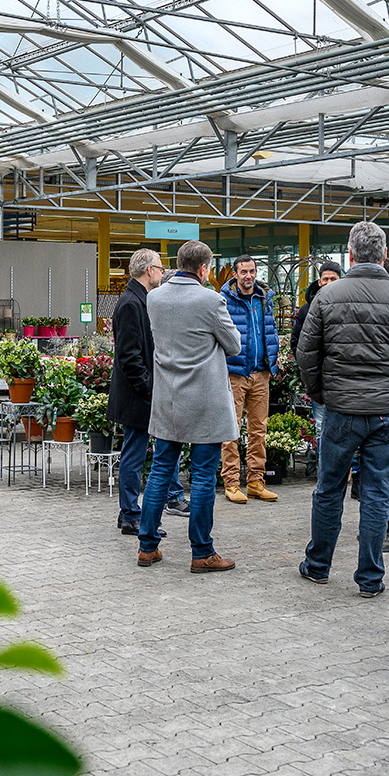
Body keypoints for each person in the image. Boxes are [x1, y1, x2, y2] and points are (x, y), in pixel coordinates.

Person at [296, 221, 389, 597]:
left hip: (341, 410)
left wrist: (322, 393)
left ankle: (318, 565)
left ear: (351, 254)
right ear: (385, 254)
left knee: (329, 489)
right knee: (376, 492)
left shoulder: (327, 297)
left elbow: (306, 355)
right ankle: (370, 578)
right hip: (385, 413)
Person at [138, 240, 241, 572]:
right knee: (202, 477)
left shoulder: (154, 298)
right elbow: (234, 345)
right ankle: (202, 552)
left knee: (160, 473)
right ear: (203, 269)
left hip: (168, 399)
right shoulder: (211, 300)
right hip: (204, 403)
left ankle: (147, 546)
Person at [106, 248, 187, 538]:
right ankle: (130, 515)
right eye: (160, 267)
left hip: (139, 392)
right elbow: (129, 356)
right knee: (134, 455)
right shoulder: (131, 303)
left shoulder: (140, 299)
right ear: (149, 270)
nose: (163, 272)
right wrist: (149, 389)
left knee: (137, 452)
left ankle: (129, 513)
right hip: (136, 395)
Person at [350, 256, 389, 554]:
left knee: (385, 471)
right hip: (388, 399)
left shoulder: (388, 308)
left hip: (382, 402)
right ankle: (382, 529)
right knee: (381, 470)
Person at [220, 255, 280, 504]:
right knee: (230, 431)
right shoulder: (225, 300)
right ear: (235, 274)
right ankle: (232, 483)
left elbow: (271, 330)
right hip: (234, 373)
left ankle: (256, 481)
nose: (248, 276)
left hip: (261, 372)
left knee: (259, 430)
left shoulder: (264, 299)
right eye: (243, 272)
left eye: (252, 271)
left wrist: (272, 362)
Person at [290, 261, 342, 459]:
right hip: (319, 378)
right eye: (325, 279)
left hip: (344, 379)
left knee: (345, 427)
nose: (328, 283)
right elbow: (297, 342)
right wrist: (309, 367)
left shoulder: (347, 306)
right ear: (319, 281)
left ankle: (348, 469)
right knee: (321, 426)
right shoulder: (307, 309)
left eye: (333, 279)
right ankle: (325, 471)